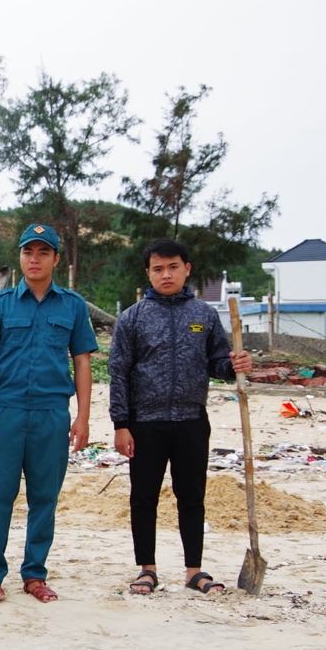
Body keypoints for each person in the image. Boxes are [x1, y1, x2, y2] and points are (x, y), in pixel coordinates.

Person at [110, 238, 252, 596]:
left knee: (192, 497)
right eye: (158, 269)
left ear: (187, 269)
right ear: (148, 273)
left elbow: (219, 363)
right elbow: (119, 373)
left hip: (191, 420)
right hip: (145, 423)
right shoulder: (133, 318)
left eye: (173, 267)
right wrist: (121, 424)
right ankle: (147, 569)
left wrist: (235, 364)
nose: (166, 274)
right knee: (143, 497)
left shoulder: (203, 315)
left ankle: (194, 571)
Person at [0, 224, 98, 603]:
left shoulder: (72, 306)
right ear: (20, 257)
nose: (35, 259)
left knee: (45, 497)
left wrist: (83, 417)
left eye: (43, 252)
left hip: (51, 413)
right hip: (6, 412)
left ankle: (34, 575)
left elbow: (82, 363)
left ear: (56, 259)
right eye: (29, 252)